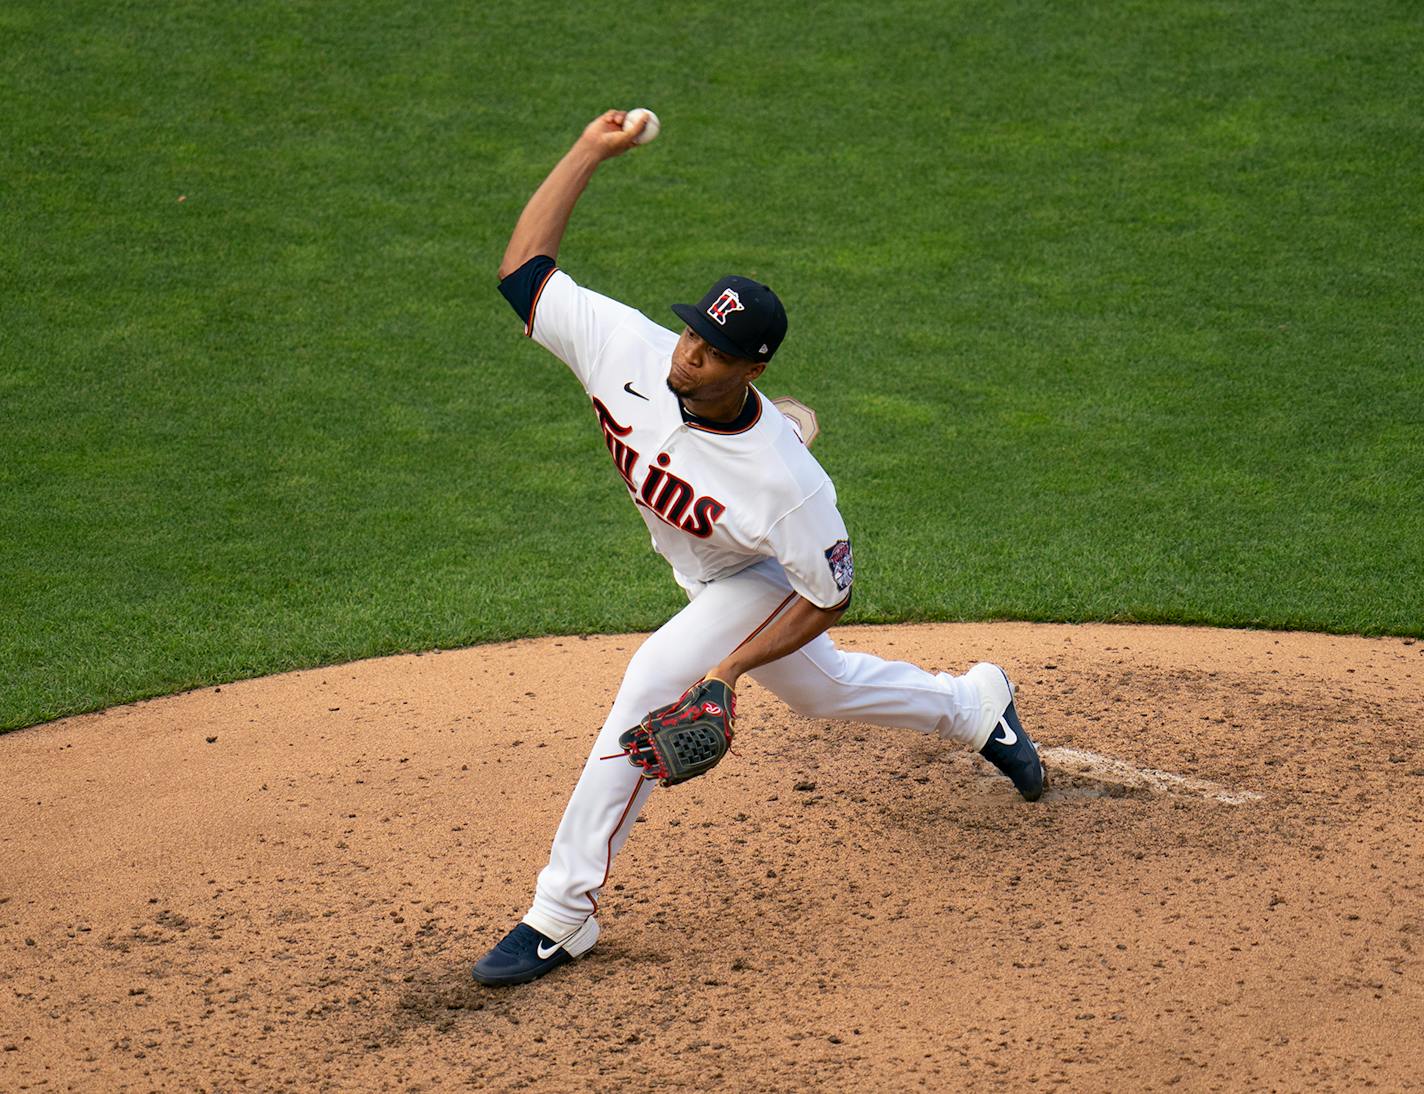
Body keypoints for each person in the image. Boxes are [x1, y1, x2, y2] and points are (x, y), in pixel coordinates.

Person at [472, 110, 1045, 987]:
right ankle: (974, 704)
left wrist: (727, 672)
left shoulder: (789, 482)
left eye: (714, 351)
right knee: (825, 692)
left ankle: (562, 913)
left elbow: (828, 595)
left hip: (765, 576)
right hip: (701, 568)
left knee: (654, 680)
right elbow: (524, 275)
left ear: (755, 370)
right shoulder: (627, 347)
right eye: (693, 332)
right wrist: (589, 152)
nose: (690, 354)